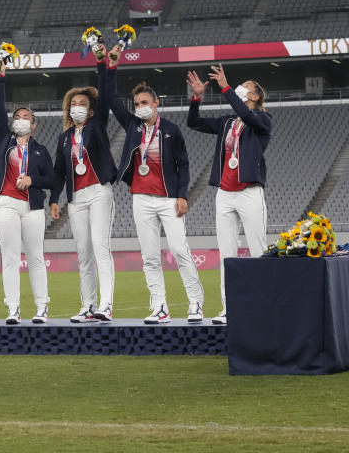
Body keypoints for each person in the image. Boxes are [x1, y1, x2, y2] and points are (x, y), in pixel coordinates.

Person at [102, 44, 203, 324]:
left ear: (156, 103)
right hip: (141, 199)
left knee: (180, 251)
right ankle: (160, 307)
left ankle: (195, 303)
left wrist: (182, 196)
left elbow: (184, 164)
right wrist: (112, 65)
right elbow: (110, 99)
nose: (140, 108)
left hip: (169, 199)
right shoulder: (133, 126)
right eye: (137, 105)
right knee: (149, 257)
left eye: (145, 103)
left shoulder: (171, 130)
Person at [187, 64, 271, 325]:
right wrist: (196, 98)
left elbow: (247, 115)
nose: (240, 88)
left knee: (258, 251)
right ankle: (229, 307)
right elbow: (194, 122)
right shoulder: (226, 122)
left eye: (246, 86)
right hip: (224, 193)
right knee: (227, 255)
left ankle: (262, 305)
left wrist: (224, 87)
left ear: (255, 96)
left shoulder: (262, 121)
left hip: (249, 192)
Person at [50, 55, 117, 323]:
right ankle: (88, 306)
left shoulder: (97, 125)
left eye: (82, 104)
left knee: (101, 247)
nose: (77, 108)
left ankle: (106, 305)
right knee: (83, 252)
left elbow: (107, 91)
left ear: (91, 110)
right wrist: (54, 199)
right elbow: (58, 171)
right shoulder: (64, 138)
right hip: (76, 198)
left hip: (99, 192)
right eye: (73, 104)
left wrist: (102, 64)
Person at [0, 63, 54, 324]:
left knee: (36, 256)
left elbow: (51, 179)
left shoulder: (41, 151)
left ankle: (41, 307)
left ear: (34, 124)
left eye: (26, 117)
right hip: (6, 203)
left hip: (33, 207)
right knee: (10, 257)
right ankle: (12, 307)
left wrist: (32, 179)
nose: (20, 119)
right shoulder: (4, 140)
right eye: (17, 116)